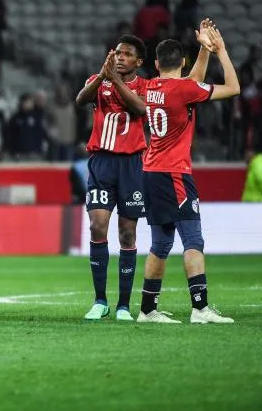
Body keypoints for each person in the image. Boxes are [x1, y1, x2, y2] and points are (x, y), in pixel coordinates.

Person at [139, 26, 240, 324]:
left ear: (156, 64)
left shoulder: (150, 87)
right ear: (181, 62)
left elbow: (190, 82)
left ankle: (147, 310)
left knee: (160, 244)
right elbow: (233, 88)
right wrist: (219, 50)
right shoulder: (184, 89)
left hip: (151, 171)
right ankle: (200, 308)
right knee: (193, 239)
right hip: (175, 174)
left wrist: (203, 50)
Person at [74, 35, 149, 321]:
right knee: (97, 226)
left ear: (138, 62)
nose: (120, 57)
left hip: (131, 165)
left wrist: (115, 81)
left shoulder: (144, 85)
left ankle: (123, 305)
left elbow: (140, 109)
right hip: (101, 163)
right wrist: (102, 78)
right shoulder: (99, 79)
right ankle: (100, 300)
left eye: (127, 54)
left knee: (127, 233)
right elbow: (81, 99)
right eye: (117, 53)